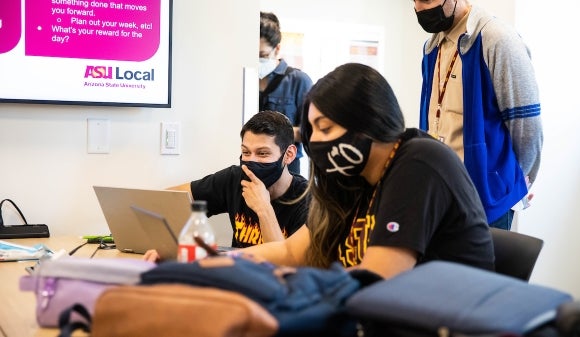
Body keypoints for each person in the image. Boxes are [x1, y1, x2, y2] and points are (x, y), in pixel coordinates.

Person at [239, 63, 494, 280]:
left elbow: (377, 278)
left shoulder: (419, 161)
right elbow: (292, 253)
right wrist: (227, 261)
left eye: (325, 128)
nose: (315, 141)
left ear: (368, 121)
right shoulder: (351, 178)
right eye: (311, 131)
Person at [413, 0, 543, 230]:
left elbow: (526, 126)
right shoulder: (431, 47)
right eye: (413, 1)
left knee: (481, 267)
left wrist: (514, 183)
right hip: (440, 194)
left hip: (487, 200)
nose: (420, 8)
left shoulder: (498, 39)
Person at [144, 111, 309, 261]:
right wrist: (170, 248)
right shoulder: (234, 178)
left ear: (289, 155)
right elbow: (168, 200)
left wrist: (264, 209)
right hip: (233, 275)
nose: (251, 161)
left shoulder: (308, 199)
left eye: (262, 153)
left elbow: (284, 263)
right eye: (246, 152)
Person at [259, 11, 313, 175]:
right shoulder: (241, 80)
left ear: (277, 49)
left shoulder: (299, 81)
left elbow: (310, 132)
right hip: (252, 164)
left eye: (263, 55)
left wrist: (273, 134)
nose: (257, 60)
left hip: (287, 169)